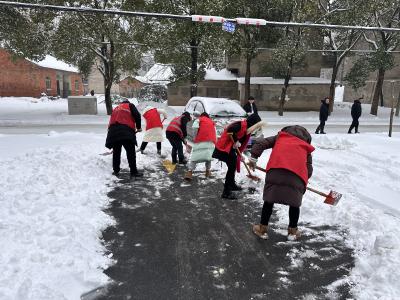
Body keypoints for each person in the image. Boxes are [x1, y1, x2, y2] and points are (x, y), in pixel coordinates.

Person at [248, 125, 314, 241]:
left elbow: (260, 143)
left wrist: (253, 158)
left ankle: (262, 229)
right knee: (294, 203)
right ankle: (293, 232)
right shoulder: (304, 145)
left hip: (276, 170)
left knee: (269, 200)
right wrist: (304, 180)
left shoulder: (280, 137)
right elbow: (308, 167)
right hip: (297, 175)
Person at [213, 114, 264, 199]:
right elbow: (230, 129)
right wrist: (236, 141)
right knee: (232, 168)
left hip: (229, 149)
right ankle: (226, 192)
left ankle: (231, 185)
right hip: (223, 149)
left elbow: (241, 142)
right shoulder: (240, 125)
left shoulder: (246, 129)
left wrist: (239, 154)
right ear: (253, 124)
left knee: (232, 167)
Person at [105, 100, 143, 178]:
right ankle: (133, 172)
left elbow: (110, 121)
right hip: (126, 131)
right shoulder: (130, 105)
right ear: (128, 102)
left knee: (116, 152)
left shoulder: (116, 108)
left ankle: (116, 171)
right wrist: (138, 127)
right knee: (130, 152)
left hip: (113, 131)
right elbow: (137, 115)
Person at [184, 112, 217, 180]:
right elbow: (215, 132)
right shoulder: (211, 122)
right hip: (211, 142)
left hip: (201, 140)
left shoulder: (198, 120)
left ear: (201, 116)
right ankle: (207, 171)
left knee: (195, 157)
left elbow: (195, 129)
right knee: (208, 157)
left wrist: (195, 138)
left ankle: (189, 173)